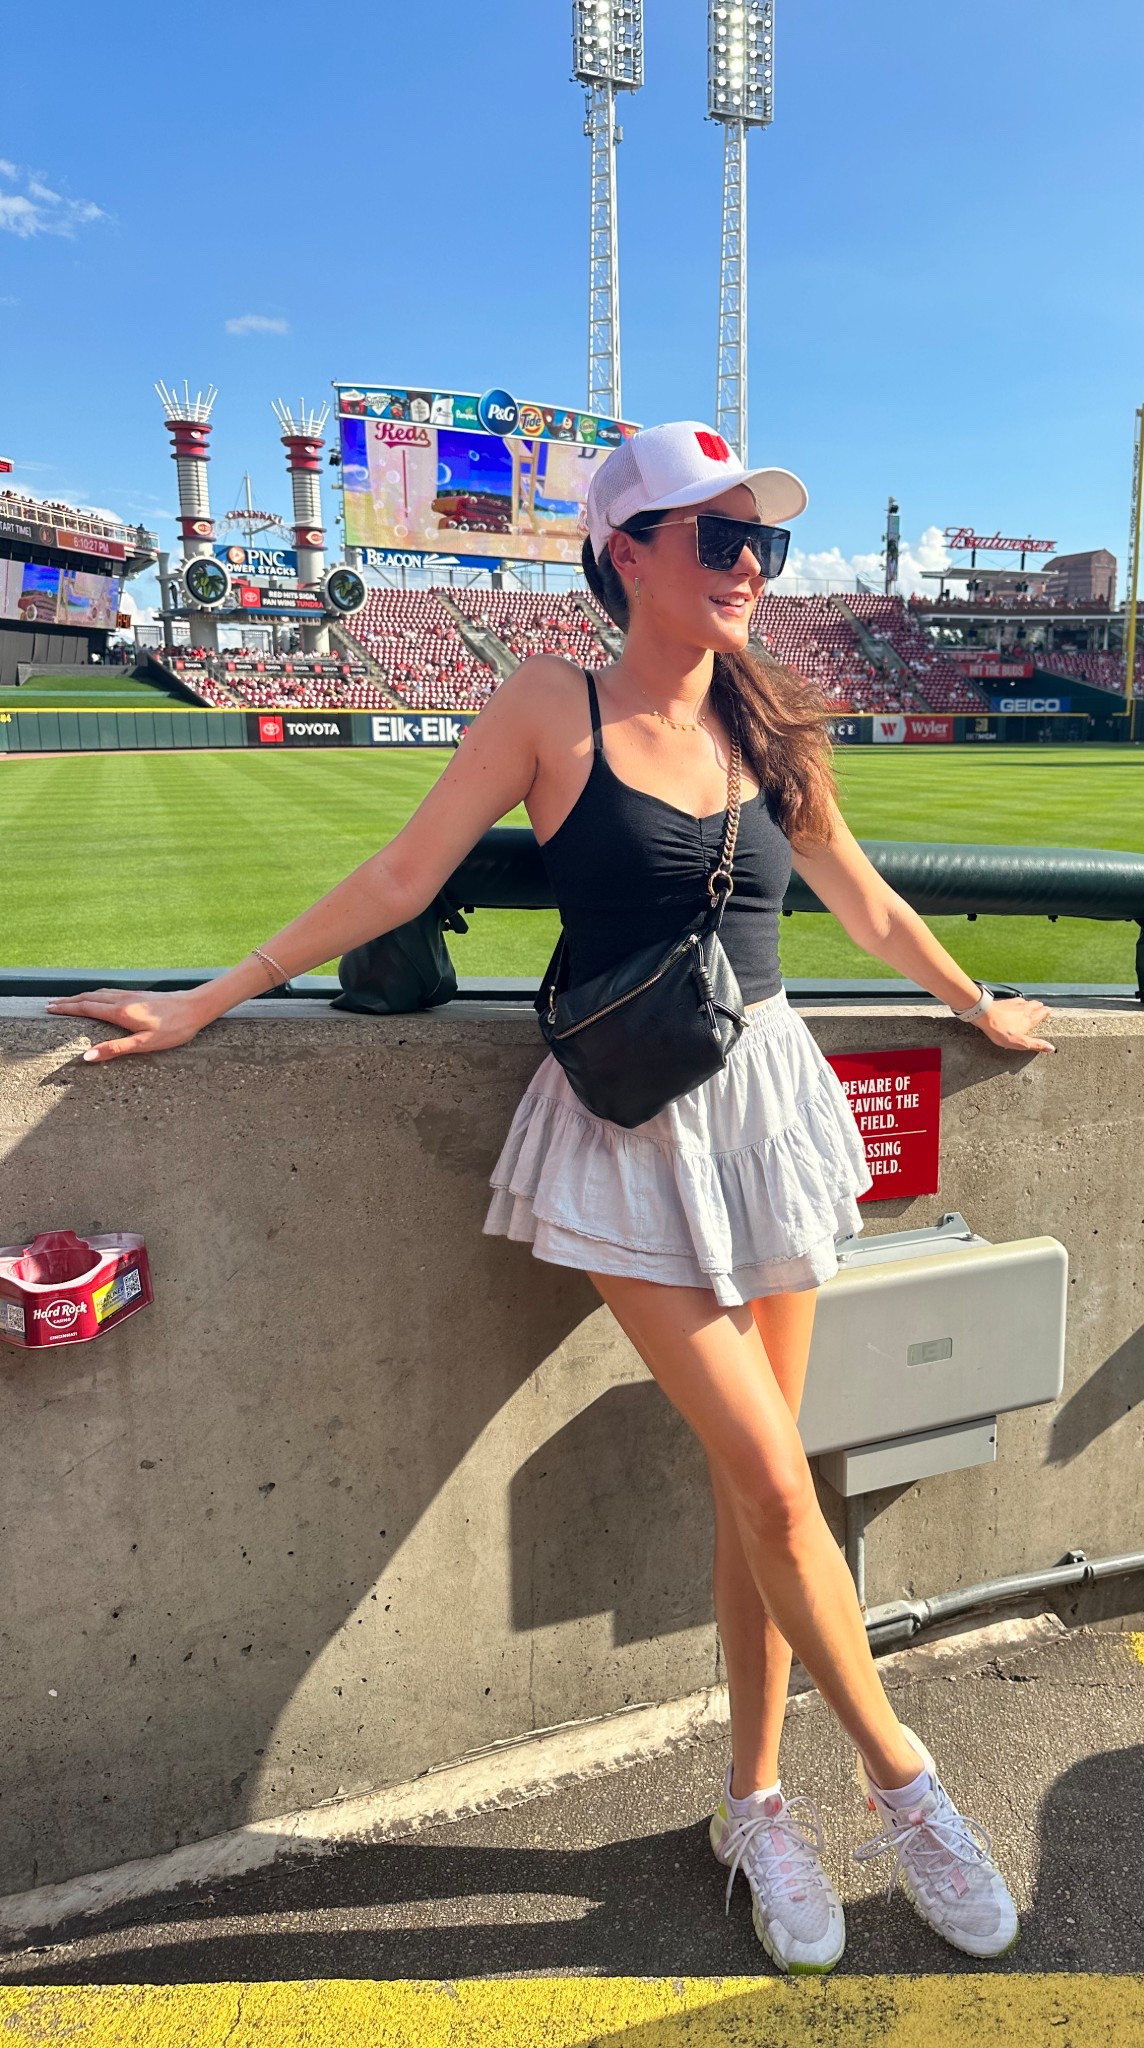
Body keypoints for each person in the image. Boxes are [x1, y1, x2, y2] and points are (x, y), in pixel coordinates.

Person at [46, 421, 1056, 1977]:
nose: (747, 569)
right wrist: (208, 1001)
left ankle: (755, 1800)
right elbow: (404, 880)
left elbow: (851, 885)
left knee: (757, 1497)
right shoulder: (547, 703)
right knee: (785, 1493)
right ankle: (907, 1788)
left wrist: (975, 1000)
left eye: (761, 545)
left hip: (769, 1108)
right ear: (625, 551)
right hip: (628, 1122)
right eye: (715, 539)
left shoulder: (772, 716)